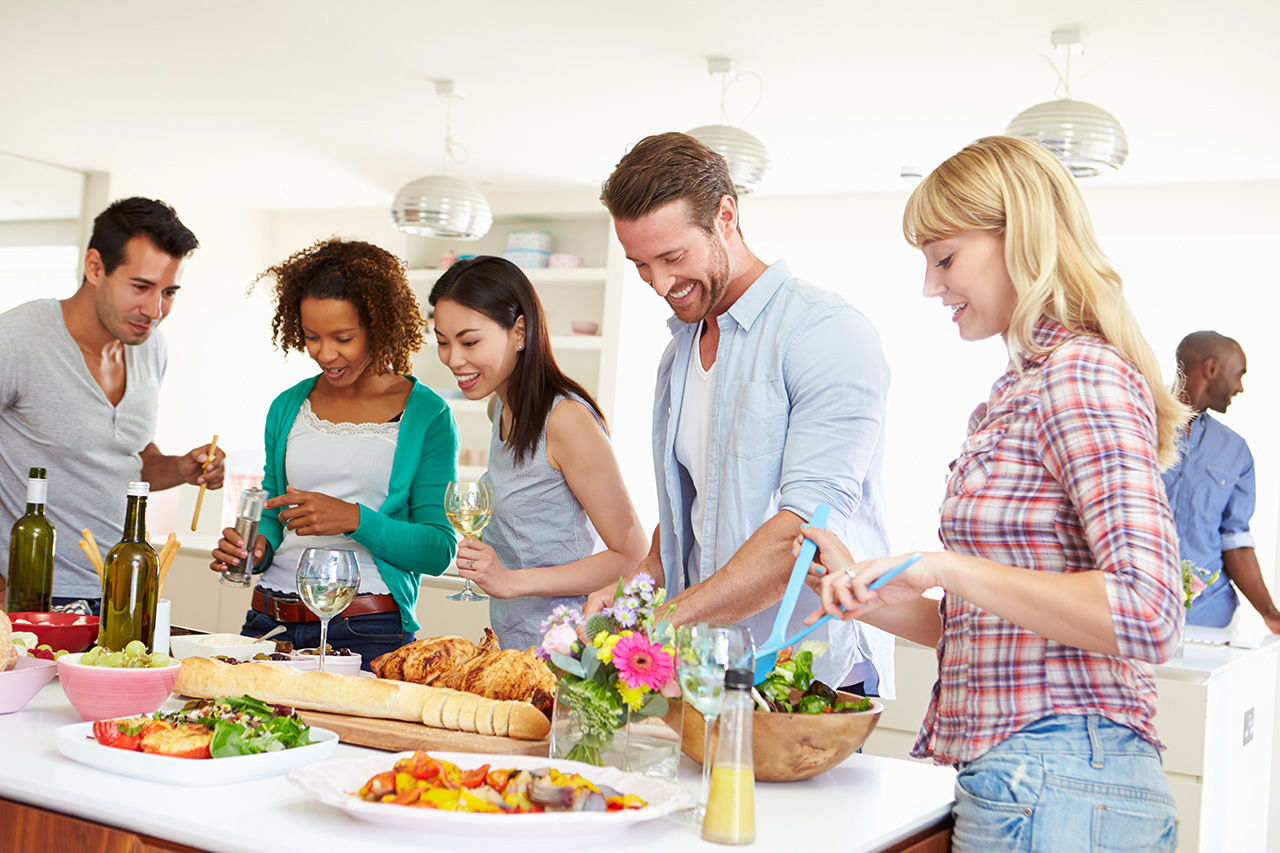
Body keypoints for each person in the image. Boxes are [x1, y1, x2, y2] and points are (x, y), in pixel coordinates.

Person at [801, 136, 1184, 851]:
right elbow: (1000, 635)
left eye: (944, 258)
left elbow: (1152, 612)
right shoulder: (1018, 389)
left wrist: (944, 566)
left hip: (1067, 777)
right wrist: (869, 586)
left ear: (1022, 236)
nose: (929, 285)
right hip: (1028, 779)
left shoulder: (1080, 375)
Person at [592, 131, 895, 695]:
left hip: (804, 670)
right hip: (708, 662)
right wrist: (638, 587)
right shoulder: (679, 350)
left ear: (725, 216)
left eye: (673, 257)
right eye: (640, 265)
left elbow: (803, 535)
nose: (659, 285)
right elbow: (699, 507)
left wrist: (664, 621)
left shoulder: (824, 331)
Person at [210, 238, 458, 667]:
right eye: (311, 337)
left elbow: (438, 549)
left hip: (368, 631)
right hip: (270, 623)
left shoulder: (428, 415)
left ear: (379, 326)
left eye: (343, 337)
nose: (325, 353)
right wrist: (255, 550)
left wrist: (355, 519)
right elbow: (272, 510)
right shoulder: (288, 406)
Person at [0, 197, 223, 614]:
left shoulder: (151, 347)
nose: (155, 311)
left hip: (121, 592)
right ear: (95, 267)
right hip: (28, 595)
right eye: (141, 287)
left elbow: (129, 459)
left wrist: (179, 468)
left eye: (169, 292)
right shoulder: (17, 339)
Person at [428, 256, 649, 651]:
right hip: (516, 644)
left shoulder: (565, 420)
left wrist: (511, 581)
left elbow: (630, 555)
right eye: (443, 342)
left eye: (470, 341)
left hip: (571, 650)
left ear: (520, 332)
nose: (453, 359)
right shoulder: (499, 409)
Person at [1164, 331, 1280, 631]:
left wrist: (1269, 612)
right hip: (1133, 616)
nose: (1240, 387)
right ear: (1211, 368)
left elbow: (1235, 539)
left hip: (1211, 620)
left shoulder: (1236, 451)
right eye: (1239, 374)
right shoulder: (1134, 425)